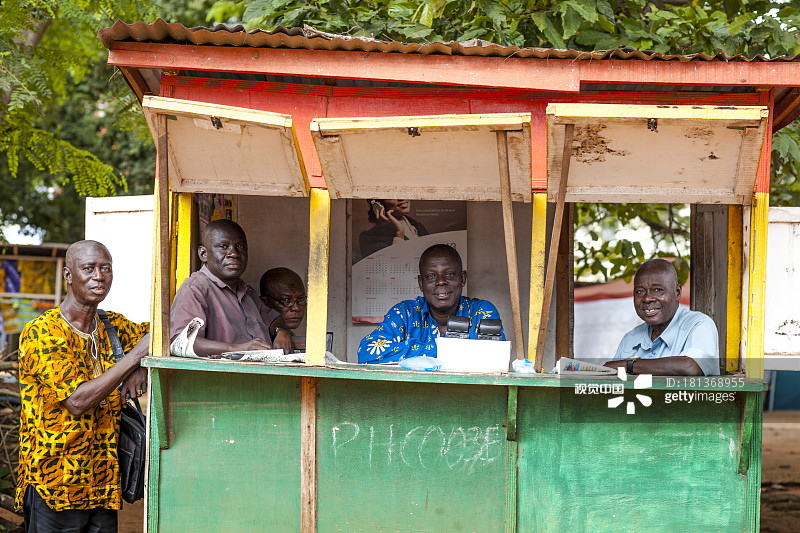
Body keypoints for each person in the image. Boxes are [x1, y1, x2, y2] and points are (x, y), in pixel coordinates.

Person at [17, 240, 149, 532]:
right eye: (88, 269)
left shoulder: (111, 326)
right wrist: (134, 358)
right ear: (68, 275)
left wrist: (140, 366)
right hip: (56, 484)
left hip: (103, 482)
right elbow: (77, 401)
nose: (99, 277)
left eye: (106, 269)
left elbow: (161, 332)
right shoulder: (42, 333)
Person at [358, 244, 503, 363]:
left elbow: (497, 358)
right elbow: (366, 354)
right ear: (421, 283)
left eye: (449, 274)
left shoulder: (480, 312)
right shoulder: (405, 313)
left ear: (463, 278)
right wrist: (442, 352)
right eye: (431, 276)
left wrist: (416, 357)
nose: (441, 281)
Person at [170, 219, 293, 356]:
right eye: (223, 246)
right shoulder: (195, 289)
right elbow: (183, 342)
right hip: (219, 376)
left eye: (240, 246)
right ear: (203, 254)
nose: (234, 253)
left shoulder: (247, 291)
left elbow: (272, 319)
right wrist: (239, 348)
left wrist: (281, 331)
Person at [604, 258, 719, 376]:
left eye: (658, 290)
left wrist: (628, 365)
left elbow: (690, 366)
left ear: (677, 292)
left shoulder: (699, 325)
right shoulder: (630, 338)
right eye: (640, 291)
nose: (647, 298)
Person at [358, 199, 429, 259]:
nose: (401, 198)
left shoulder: (417, 226)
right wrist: (399, 233)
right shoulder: (369, 238)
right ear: (378, 203)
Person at [260, 268, 307, 348]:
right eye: (286, 300)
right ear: (264, 302)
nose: (296, 308)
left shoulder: (286, 335)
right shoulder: (258, 338)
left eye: (301, 299)